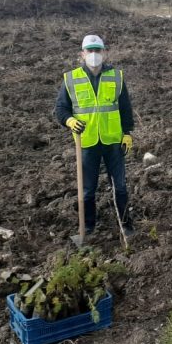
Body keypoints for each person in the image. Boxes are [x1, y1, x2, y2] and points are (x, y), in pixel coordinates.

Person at [56, 34, 135, 238]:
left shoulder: (116, 76)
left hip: (113, 141)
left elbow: (125, 108)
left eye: (97, 50)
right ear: (82, 54)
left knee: (119, 186)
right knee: (88, 189)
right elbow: (61, 109)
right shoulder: (71, 79)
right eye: (89, 50)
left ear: (104, 52)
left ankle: (125, 224)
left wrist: (127, 134)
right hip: (87, 141)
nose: (93, 54)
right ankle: (89, 227)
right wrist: (69, 121)